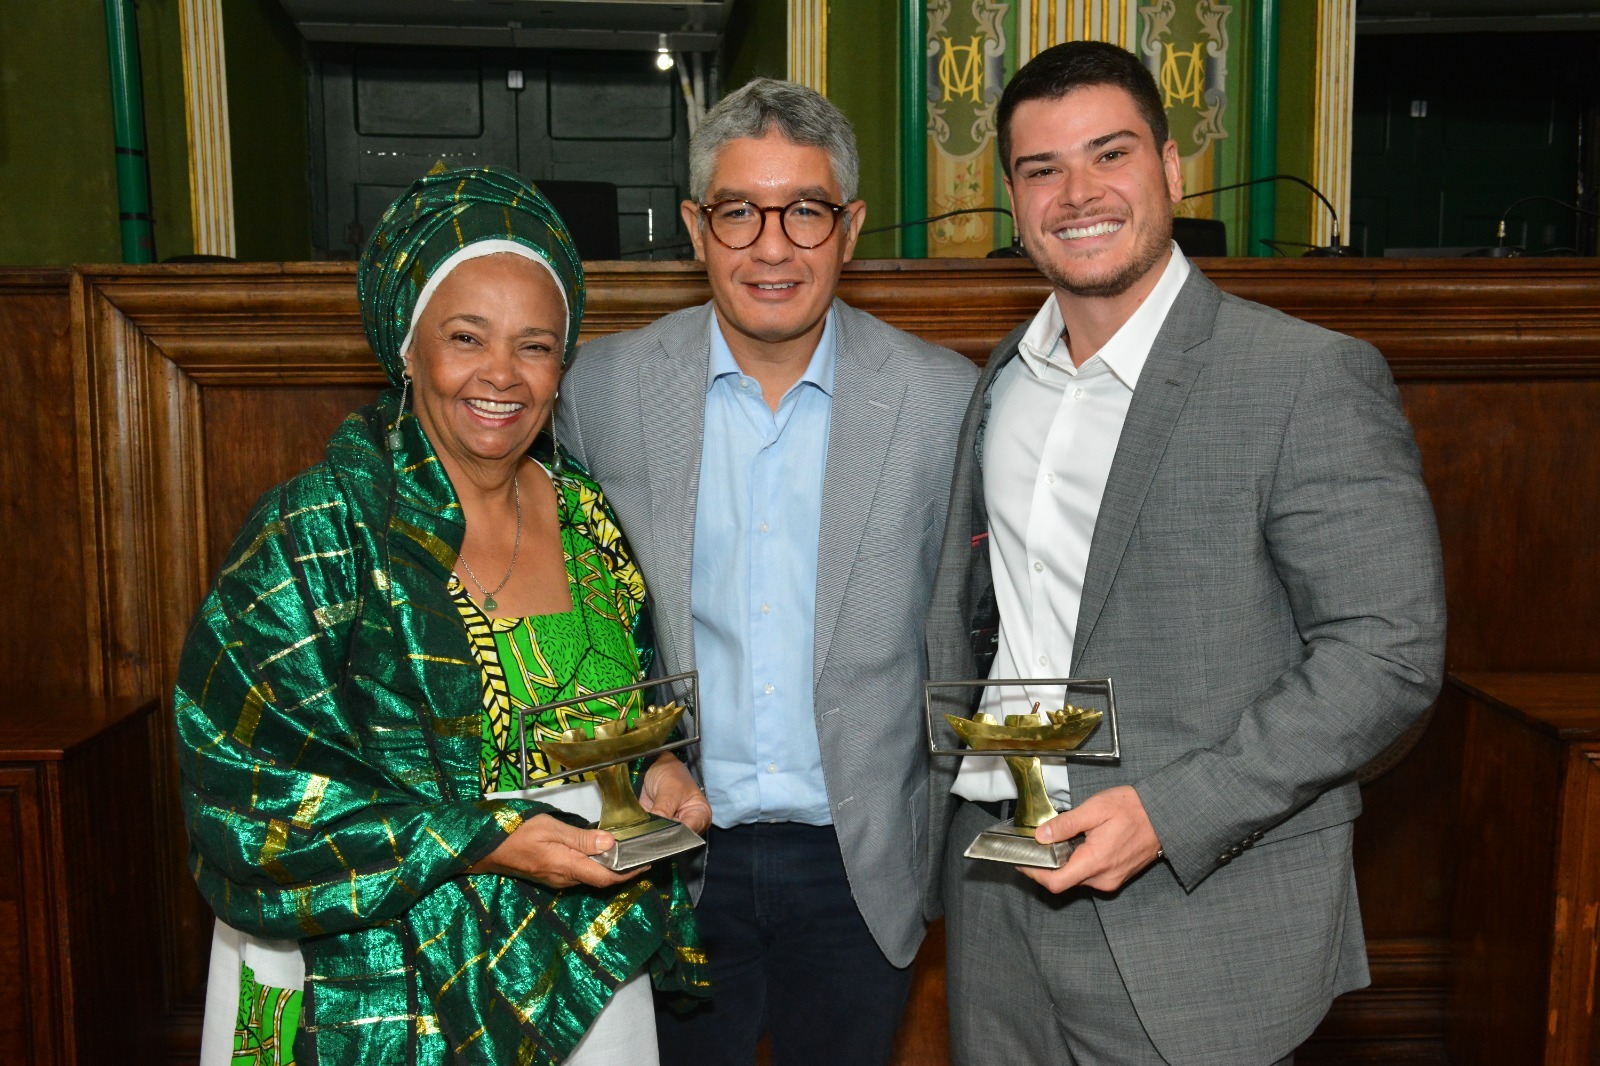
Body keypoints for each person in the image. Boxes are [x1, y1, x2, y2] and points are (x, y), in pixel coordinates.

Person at [927, 42, 1447, 1066]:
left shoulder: (1301, 375)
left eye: (1107, 155)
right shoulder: (1001, 379)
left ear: (1169, 169)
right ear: (1012, 199)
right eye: (1042, 170)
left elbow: (1387, 652)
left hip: (1196, 913)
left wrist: (1169, 814)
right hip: (997, 899)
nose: (1077, 193)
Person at [175, 165, 709, 1066]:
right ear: (408, 346)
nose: (501, 375)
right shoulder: (317, 533)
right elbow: (243, 791)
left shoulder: (586, 516)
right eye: (467, 337)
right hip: (386, 969)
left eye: (536, 346)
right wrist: (485, 840)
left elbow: (619, 704)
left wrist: (652, 769)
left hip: (581, 947)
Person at [556, 79, 977, 1065]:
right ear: (698, 227)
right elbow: (573, 608)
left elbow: (974, 629)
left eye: (806, 210)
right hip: (671, 851)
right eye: (739, 211)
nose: (772, 244)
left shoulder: (940, 397)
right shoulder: (600, 391)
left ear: (850, 226)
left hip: (860, 865)